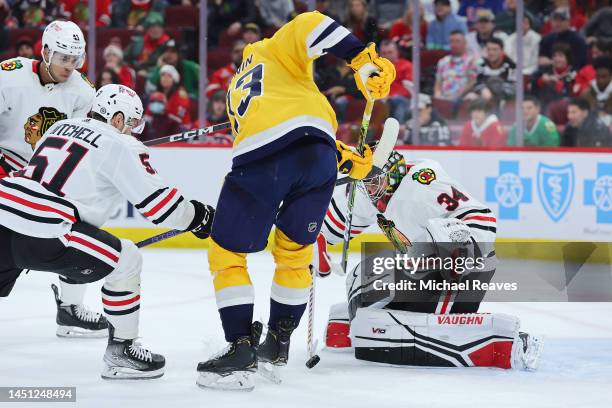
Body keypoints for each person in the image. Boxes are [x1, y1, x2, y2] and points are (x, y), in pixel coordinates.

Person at [196, 11, 394, 391]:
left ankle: (239, 347)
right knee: (294, 252)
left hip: (262, 161)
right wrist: (362, 58)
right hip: (318, 157)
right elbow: (310, 25)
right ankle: (277, 343)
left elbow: (272, 135)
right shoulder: (276, 52)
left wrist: (360, 57)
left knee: (227, 254)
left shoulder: (247, 74)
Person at [0, 83, 215, 379]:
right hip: (44, 231)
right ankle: (121, 353)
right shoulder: (123, 144)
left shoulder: (60, 126)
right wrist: (200, 217)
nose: (133, 130)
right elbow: (160, 207)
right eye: (130, 122)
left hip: (4, 211)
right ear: (116, 119)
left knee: (83, 233)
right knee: (126, 259)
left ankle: (70, 311)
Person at [311, 150, 542, 370]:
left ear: (392, 173)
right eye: (365, 182)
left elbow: (482, 217)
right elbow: (331, 226)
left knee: (395, 263)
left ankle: (474, 333)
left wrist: (460, 244)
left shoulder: (422, 183)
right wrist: (313, 238)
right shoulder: (372, 194)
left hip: (465, 266)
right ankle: (367, 325)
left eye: (374, 181)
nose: (369, 189)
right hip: (427, 275)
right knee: (360, 279)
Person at [0, 20, 108, 338]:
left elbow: (86, 141)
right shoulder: (10, 74)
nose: (70, 66)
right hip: (5, 169)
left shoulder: (82, 91)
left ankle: (70, 309)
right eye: (63, 58)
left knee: (80, 225)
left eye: (76, 59)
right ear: (45, 51)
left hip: (45, 180)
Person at [467, 38, 516, 107]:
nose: (491, 53)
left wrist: (492, 92)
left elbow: (512, 88)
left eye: (495, 50)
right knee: (470, 97)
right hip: (483, 96)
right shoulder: (480, 63)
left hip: (504, 98)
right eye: (488, 49)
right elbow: (475, 82)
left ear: (502, 51)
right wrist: (483, 89)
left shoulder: (511, 66)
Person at [433, 30, 478, 103]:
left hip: (461, 98)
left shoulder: (471, 61)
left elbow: (471, 83)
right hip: (443, 98)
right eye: (451, 41)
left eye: (457, 41)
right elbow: (438, 83)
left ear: (465, 43)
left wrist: (455, 96)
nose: (454, 44)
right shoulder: (443, 61)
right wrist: (437, 96)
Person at [532, 42, 578, 109]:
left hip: (565, 107)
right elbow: (534, 89)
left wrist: (555, 82)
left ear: (568, 58)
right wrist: (541, 81)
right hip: (543, 106)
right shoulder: (545, 71)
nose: (556, 59)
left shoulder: (573, 73)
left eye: (560, 56)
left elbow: (567, 87)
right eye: (554, 56)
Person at [379, 40, 413, 123]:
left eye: (390, 52)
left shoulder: (407, 65)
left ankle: (397, 130)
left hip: (402, 100)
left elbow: (409, 89)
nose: (387, 55)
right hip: (381, 99)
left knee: (397, 100)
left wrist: (390, 97)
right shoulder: (376, 68)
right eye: (384, 53)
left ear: (397, 52)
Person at [156, 65, 192, 129]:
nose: (165, 78)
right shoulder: (157, 94)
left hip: (180, 128)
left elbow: (177, 118)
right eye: (163, 75)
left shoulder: (181, 94)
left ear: (174, 80)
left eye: (169, 76)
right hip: (162, 127)